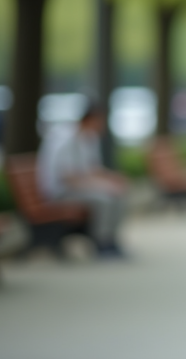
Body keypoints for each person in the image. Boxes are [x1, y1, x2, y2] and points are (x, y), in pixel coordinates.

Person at [37, 103, 129, 258]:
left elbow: (93, 169)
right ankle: (102, 243)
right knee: (104, 199)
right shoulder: (64, 138)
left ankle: (111, 240)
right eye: (100, 121)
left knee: (118, 194)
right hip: (60, 193)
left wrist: (113, 179)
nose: (102, 125)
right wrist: (102, 186)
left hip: (79, 188)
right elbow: (68, 178)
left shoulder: (89, 137)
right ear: (89, 119)